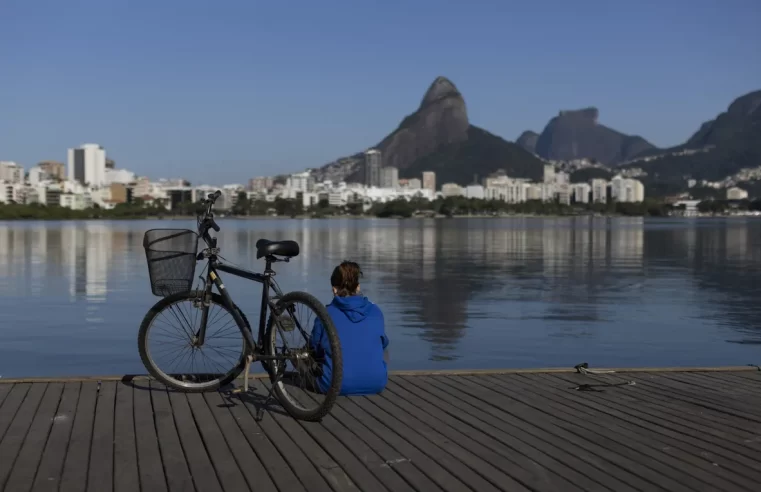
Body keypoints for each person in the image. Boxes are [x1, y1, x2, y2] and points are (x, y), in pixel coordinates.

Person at [310, 261, 389, 395]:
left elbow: (313, 349)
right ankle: (373, 373)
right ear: (358, 287)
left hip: (333, 386)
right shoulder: (376, 311)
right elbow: (383, 346)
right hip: (377, 384)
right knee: (383, 343)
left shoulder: (325, 314)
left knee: (305, 358)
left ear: (334, 289)